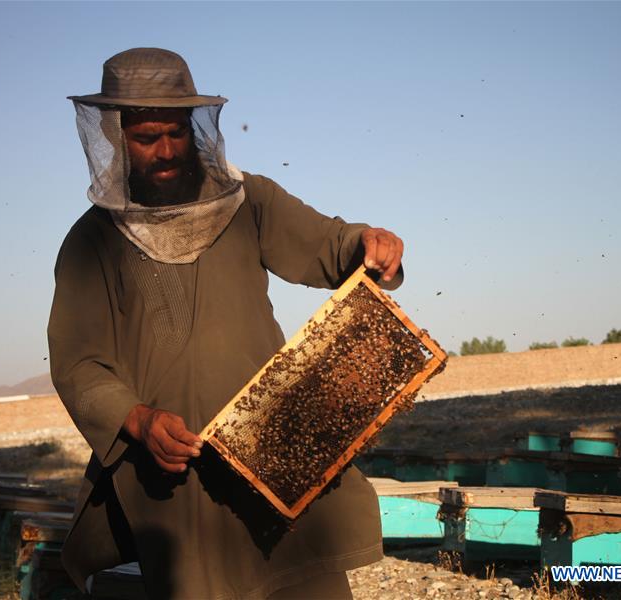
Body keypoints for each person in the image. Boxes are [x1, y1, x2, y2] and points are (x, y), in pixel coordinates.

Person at [49, 47, 405, 599]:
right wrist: (138, 421)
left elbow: (326, 244)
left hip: (280, 454)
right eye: (147, 138)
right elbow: (78, 363)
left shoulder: (249, 201)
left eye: (175, 133)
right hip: (178, 481)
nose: (165, 151)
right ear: (117, 138)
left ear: (195, 128)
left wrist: (366, 243)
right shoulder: (90, 242)